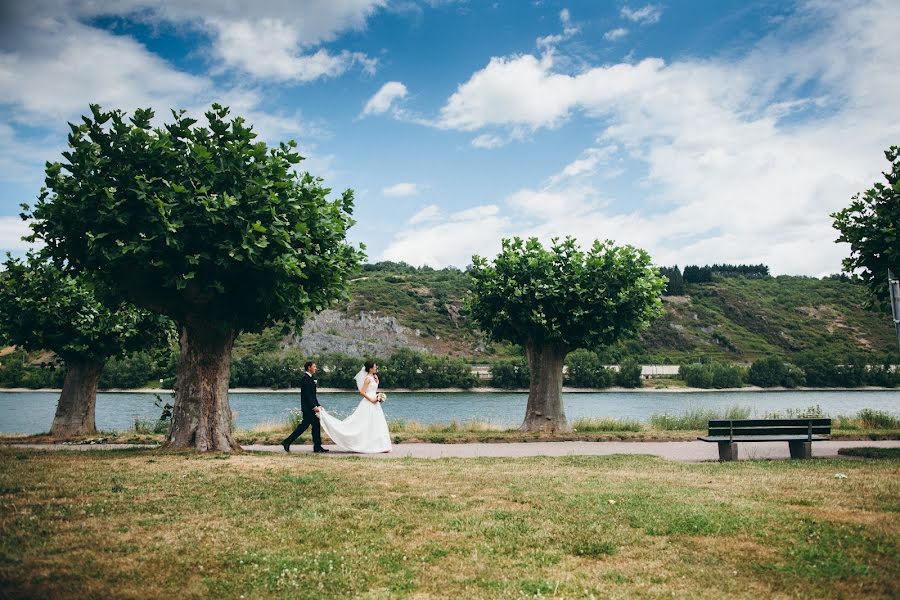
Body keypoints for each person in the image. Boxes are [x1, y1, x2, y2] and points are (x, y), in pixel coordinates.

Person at [316, 360, 391, 453]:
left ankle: (380, 445)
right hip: (369, 402)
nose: (376, 368)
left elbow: (373, 389)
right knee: (364, 424)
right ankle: (366, 444)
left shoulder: (374, 377)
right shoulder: (367, 378)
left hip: (375, 402)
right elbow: (362, 392)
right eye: (375, 366)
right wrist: (372, 399)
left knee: (376, 423)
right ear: (371, 368)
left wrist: (378, 396)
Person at [282, 361, 328, 453]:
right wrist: (313, 407)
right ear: (309, 367)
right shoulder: (305, 379)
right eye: (314, 366)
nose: (315, 368)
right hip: (308, 409)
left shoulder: (310, 378)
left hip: (311, 407)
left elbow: (313, 395)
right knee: (304, 427)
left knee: (315, 426)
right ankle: (287, 441)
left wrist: (318, 405)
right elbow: (307, 395)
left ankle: (317, 447)